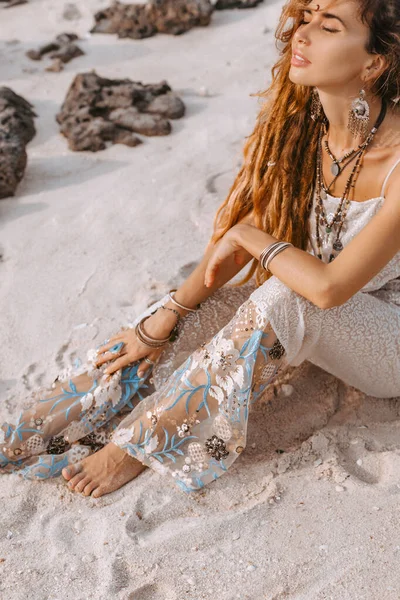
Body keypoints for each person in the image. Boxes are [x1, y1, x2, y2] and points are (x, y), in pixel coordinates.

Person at [2, 0, 400, 498]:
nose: (303, 34)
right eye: (306, 17)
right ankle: (32, 432)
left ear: (374, 62)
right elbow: (251, 228)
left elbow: (327, 289)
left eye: (329, 25)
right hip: (319, 308)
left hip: (388, 339)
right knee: (192, 319)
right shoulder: (306, 129)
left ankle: (140, 444)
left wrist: (248, 238)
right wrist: (167, 315)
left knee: (282, 297)